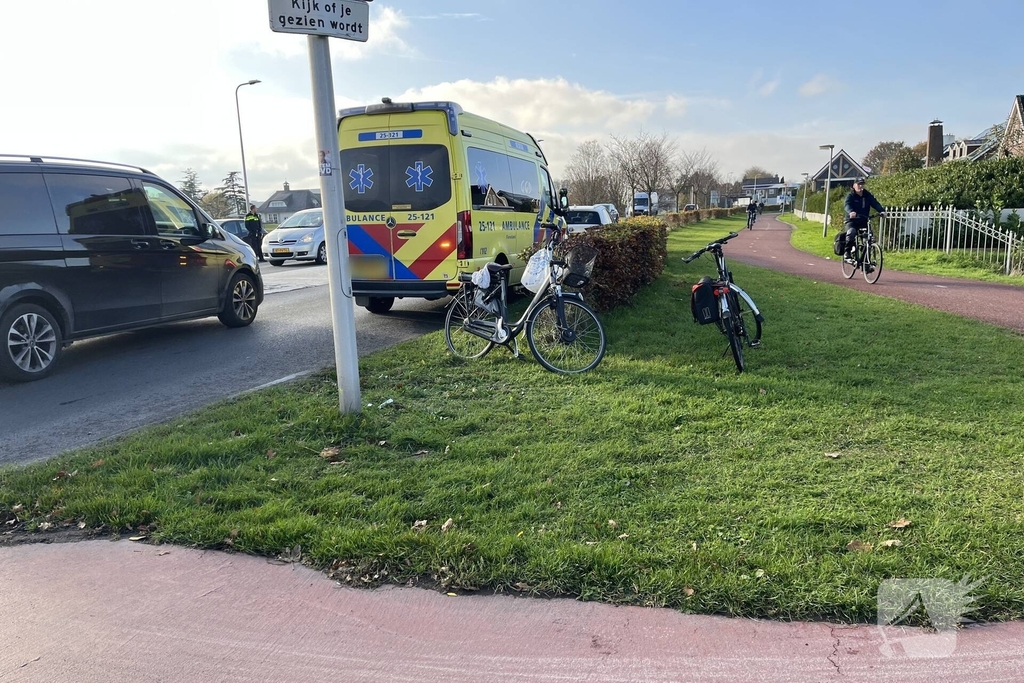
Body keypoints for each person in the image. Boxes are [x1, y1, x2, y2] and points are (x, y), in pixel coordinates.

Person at [843, 178, 886, 262]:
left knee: (869, 238)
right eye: (859, 184)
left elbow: (875, 203)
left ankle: (866, 262)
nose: (861, 186)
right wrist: (851, 211)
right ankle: (847, 253)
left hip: (863, 220)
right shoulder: (850, 196)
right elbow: (847, 205)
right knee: (851, 233)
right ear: (854, 186)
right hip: (852, 221)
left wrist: (882, 211)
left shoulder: (867, 195)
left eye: (862, 184)